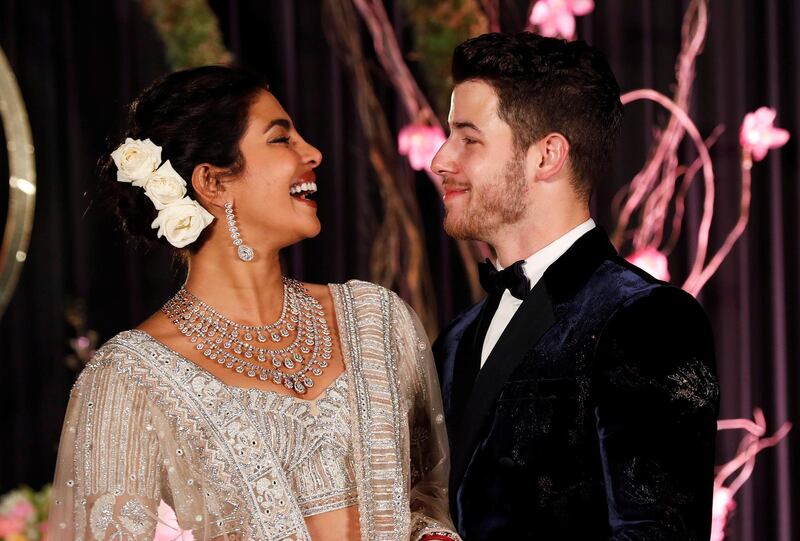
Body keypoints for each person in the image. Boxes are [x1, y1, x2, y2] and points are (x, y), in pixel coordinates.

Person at [48, 65, 458, 541]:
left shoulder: (377, 321)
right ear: (213, 183)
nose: (313, 152)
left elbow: (428, 496)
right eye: (282, 139)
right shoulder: (131, 379)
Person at [431, 33, 719, 540]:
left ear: (547, 156)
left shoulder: (647, 319)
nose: (441, 161)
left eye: (468, 138)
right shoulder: (455, 340)